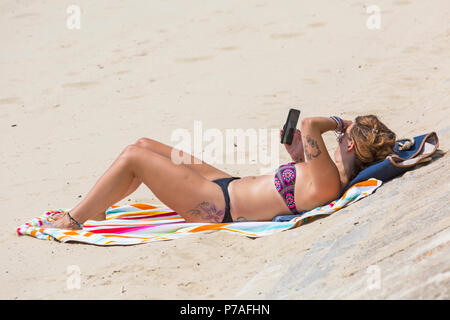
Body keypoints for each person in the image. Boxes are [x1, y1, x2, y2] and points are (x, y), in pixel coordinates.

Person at [43, 115, 396, 229]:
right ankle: (99, 207)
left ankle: (74, 219)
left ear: (349, 145)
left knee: (134, 158)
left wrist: (340, 121)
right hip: (224, 184)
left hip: (217, 206)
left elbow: (308, 123)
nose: (339, 135)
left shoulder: (329, 180)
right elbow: (303, 157)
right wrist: (297, 155)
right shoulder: (327, 174)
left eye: (343, 136)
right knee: (144, 143)